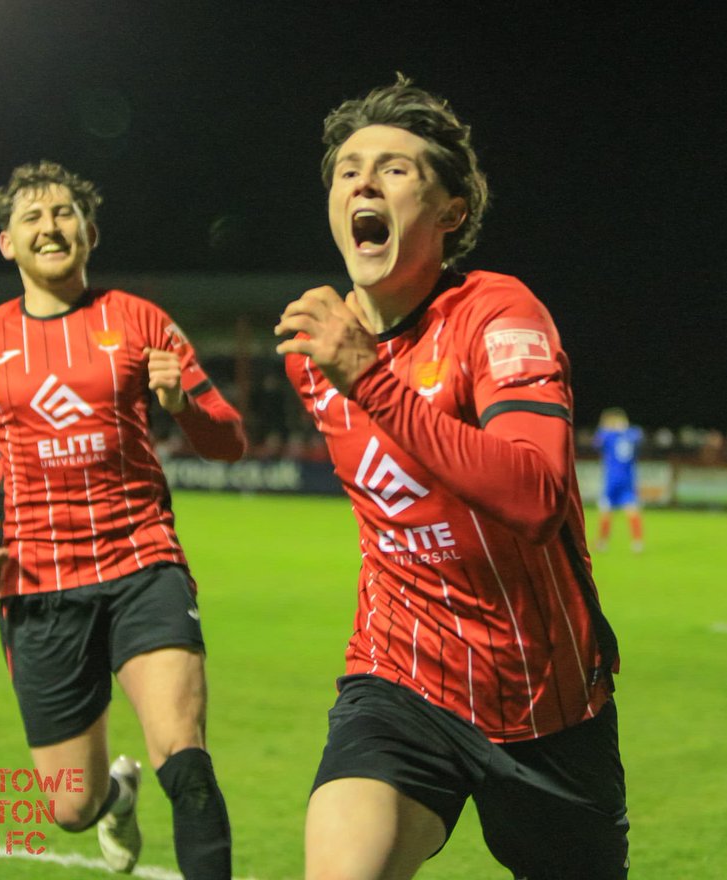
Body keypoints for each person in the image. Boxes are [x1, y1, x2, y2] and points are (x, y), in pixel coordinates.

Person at [274, 76, 628, 880]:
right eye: (349, 168)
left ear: (451, 212)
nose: (364, 180)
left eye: (396, 169)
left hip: (548, 700)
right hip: (399, 681)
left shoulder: (499, 314)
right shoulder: (317, 354)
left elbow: (536, 495)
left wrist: (371, 379)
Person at [0, 160, 244, 878]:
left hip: (141, 564)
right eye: (32, 217)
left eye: (64, 213)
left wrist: (184, 406)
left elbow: (230, 441)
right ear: (7, 243)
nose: (49, 226)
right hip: (37, 584)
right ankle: (114, 799)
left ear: (90, 233)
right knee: (70, 807)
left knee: (184, 758)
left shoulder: (139, 320)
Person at [592, 407, 645, 553]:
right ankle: (637, 543)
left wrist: (607, 427)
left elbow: (596, 442)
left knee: (606, 510)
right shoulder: (632, 434)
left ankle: (602, 543)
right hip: (628, 479)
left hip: (612, 479)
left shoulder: (607, 435)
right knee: (632, 510)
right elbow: (639, 436)